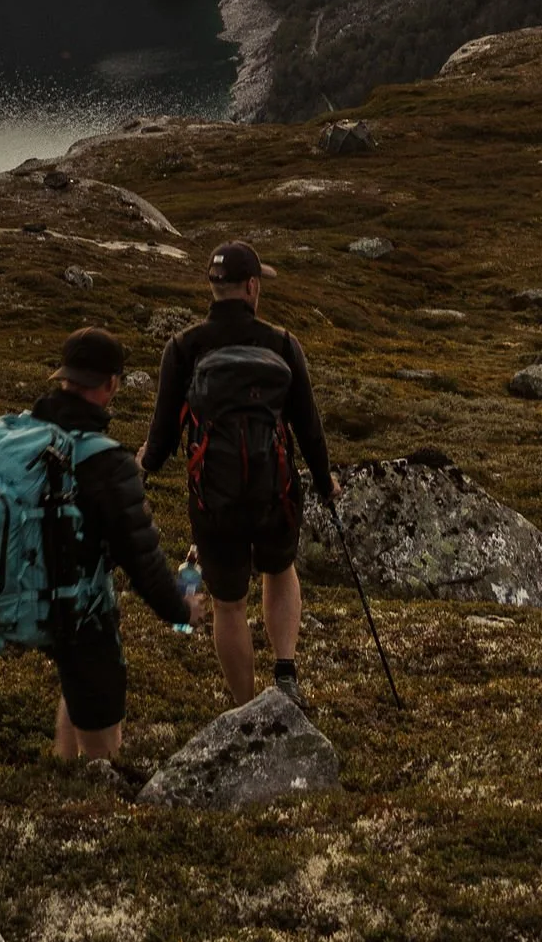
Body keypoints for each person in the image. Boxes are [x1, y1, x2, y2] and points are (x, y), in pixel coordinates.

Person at [140, 242, 335, 710]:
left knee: (230, 604)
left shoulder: (184, 347)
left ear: (213, 286)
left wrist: (140, 468)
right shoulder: (282, 343)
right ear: (251, 287)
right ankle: (285, 673)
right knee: (280, 570)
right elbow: (308, 428)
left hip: (214, 500)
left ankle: (247, 708)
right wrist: (326, 484)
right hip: (276, 494)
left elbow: (164, 437)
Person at [29, 324, 206, 763]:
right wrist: (183, 609)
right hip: (81, 606)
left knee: (77, 680)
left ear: (64, 378)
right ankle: (88, 807)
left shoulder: (25, 436)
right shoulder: (106, 460)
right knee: (102, 727)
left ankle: (63, 772)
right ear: (111, 384)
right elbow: (141, 558)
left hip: (26, 593)